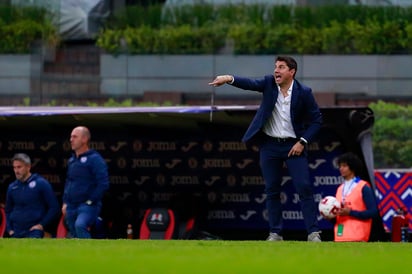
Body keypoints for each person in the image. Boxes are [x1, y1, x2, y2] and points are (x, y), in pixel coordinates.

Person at [209, 56, 322, 242]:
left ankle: (313, 233)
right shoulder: (269, 84)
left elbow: (317, 121)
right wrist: (229, 78)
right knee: (272, 190)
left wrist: (302, 142)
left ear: (292, 72)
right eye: (275, 67)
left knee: (304, 188)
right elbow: (250, 83)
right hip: (269, 146)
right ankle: (275, 233)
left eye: (281, 67)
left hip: (293, 145)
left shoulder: (304, 92)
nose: (276, 70)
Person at [62, 126, 110, 238]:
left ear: (84, 139)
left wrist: (90, 201)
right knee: (74, 232)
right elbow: (69, 182)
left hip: (87, 205)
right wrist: (65, 202)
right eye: (71, 137)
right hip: (71, 205)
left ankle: (88, 253)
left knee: (80, 225)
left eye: (75, 137)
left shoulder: (95, 159)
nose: (71, 140)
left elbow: (103, 184)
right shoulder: (72, 160)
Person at [5, 153, 59, 238]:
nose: (16, 171)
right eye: (14, 168)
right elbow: (8, 210)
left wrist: (41, 225)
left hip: (34, 231)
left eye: (19, 167)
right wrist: (9, 229)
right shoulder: (12, 187)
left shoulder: (41, 183)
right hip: (16, 231)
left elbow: (54, 207)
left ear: (28, 167)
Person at [331, 152, 378, 242]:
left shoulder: (363, 187)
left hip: (358, 236)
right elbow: (338, 216)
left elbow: (373, 212)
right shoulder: (340, 188)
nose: (341, 169)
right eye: (340, 166)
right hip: (340, 235)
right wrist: (330, 215)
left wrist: (351, 213)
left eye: (344, 166)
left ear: (352, 167)